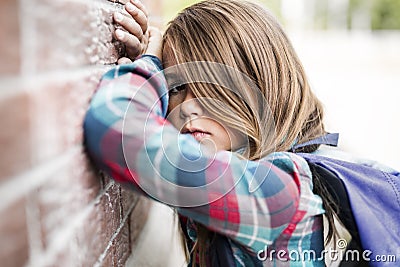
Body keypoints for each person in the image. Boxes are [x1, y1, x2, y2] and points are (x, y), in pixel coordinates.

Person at [84, 0, 397, 266]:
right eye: (176, 88)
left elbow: (113, 126)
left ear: (261, 85)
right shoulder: (250, 169)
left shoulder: (276, 194)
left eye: (212, 87)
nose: (189, 107)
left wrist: (149, 66)